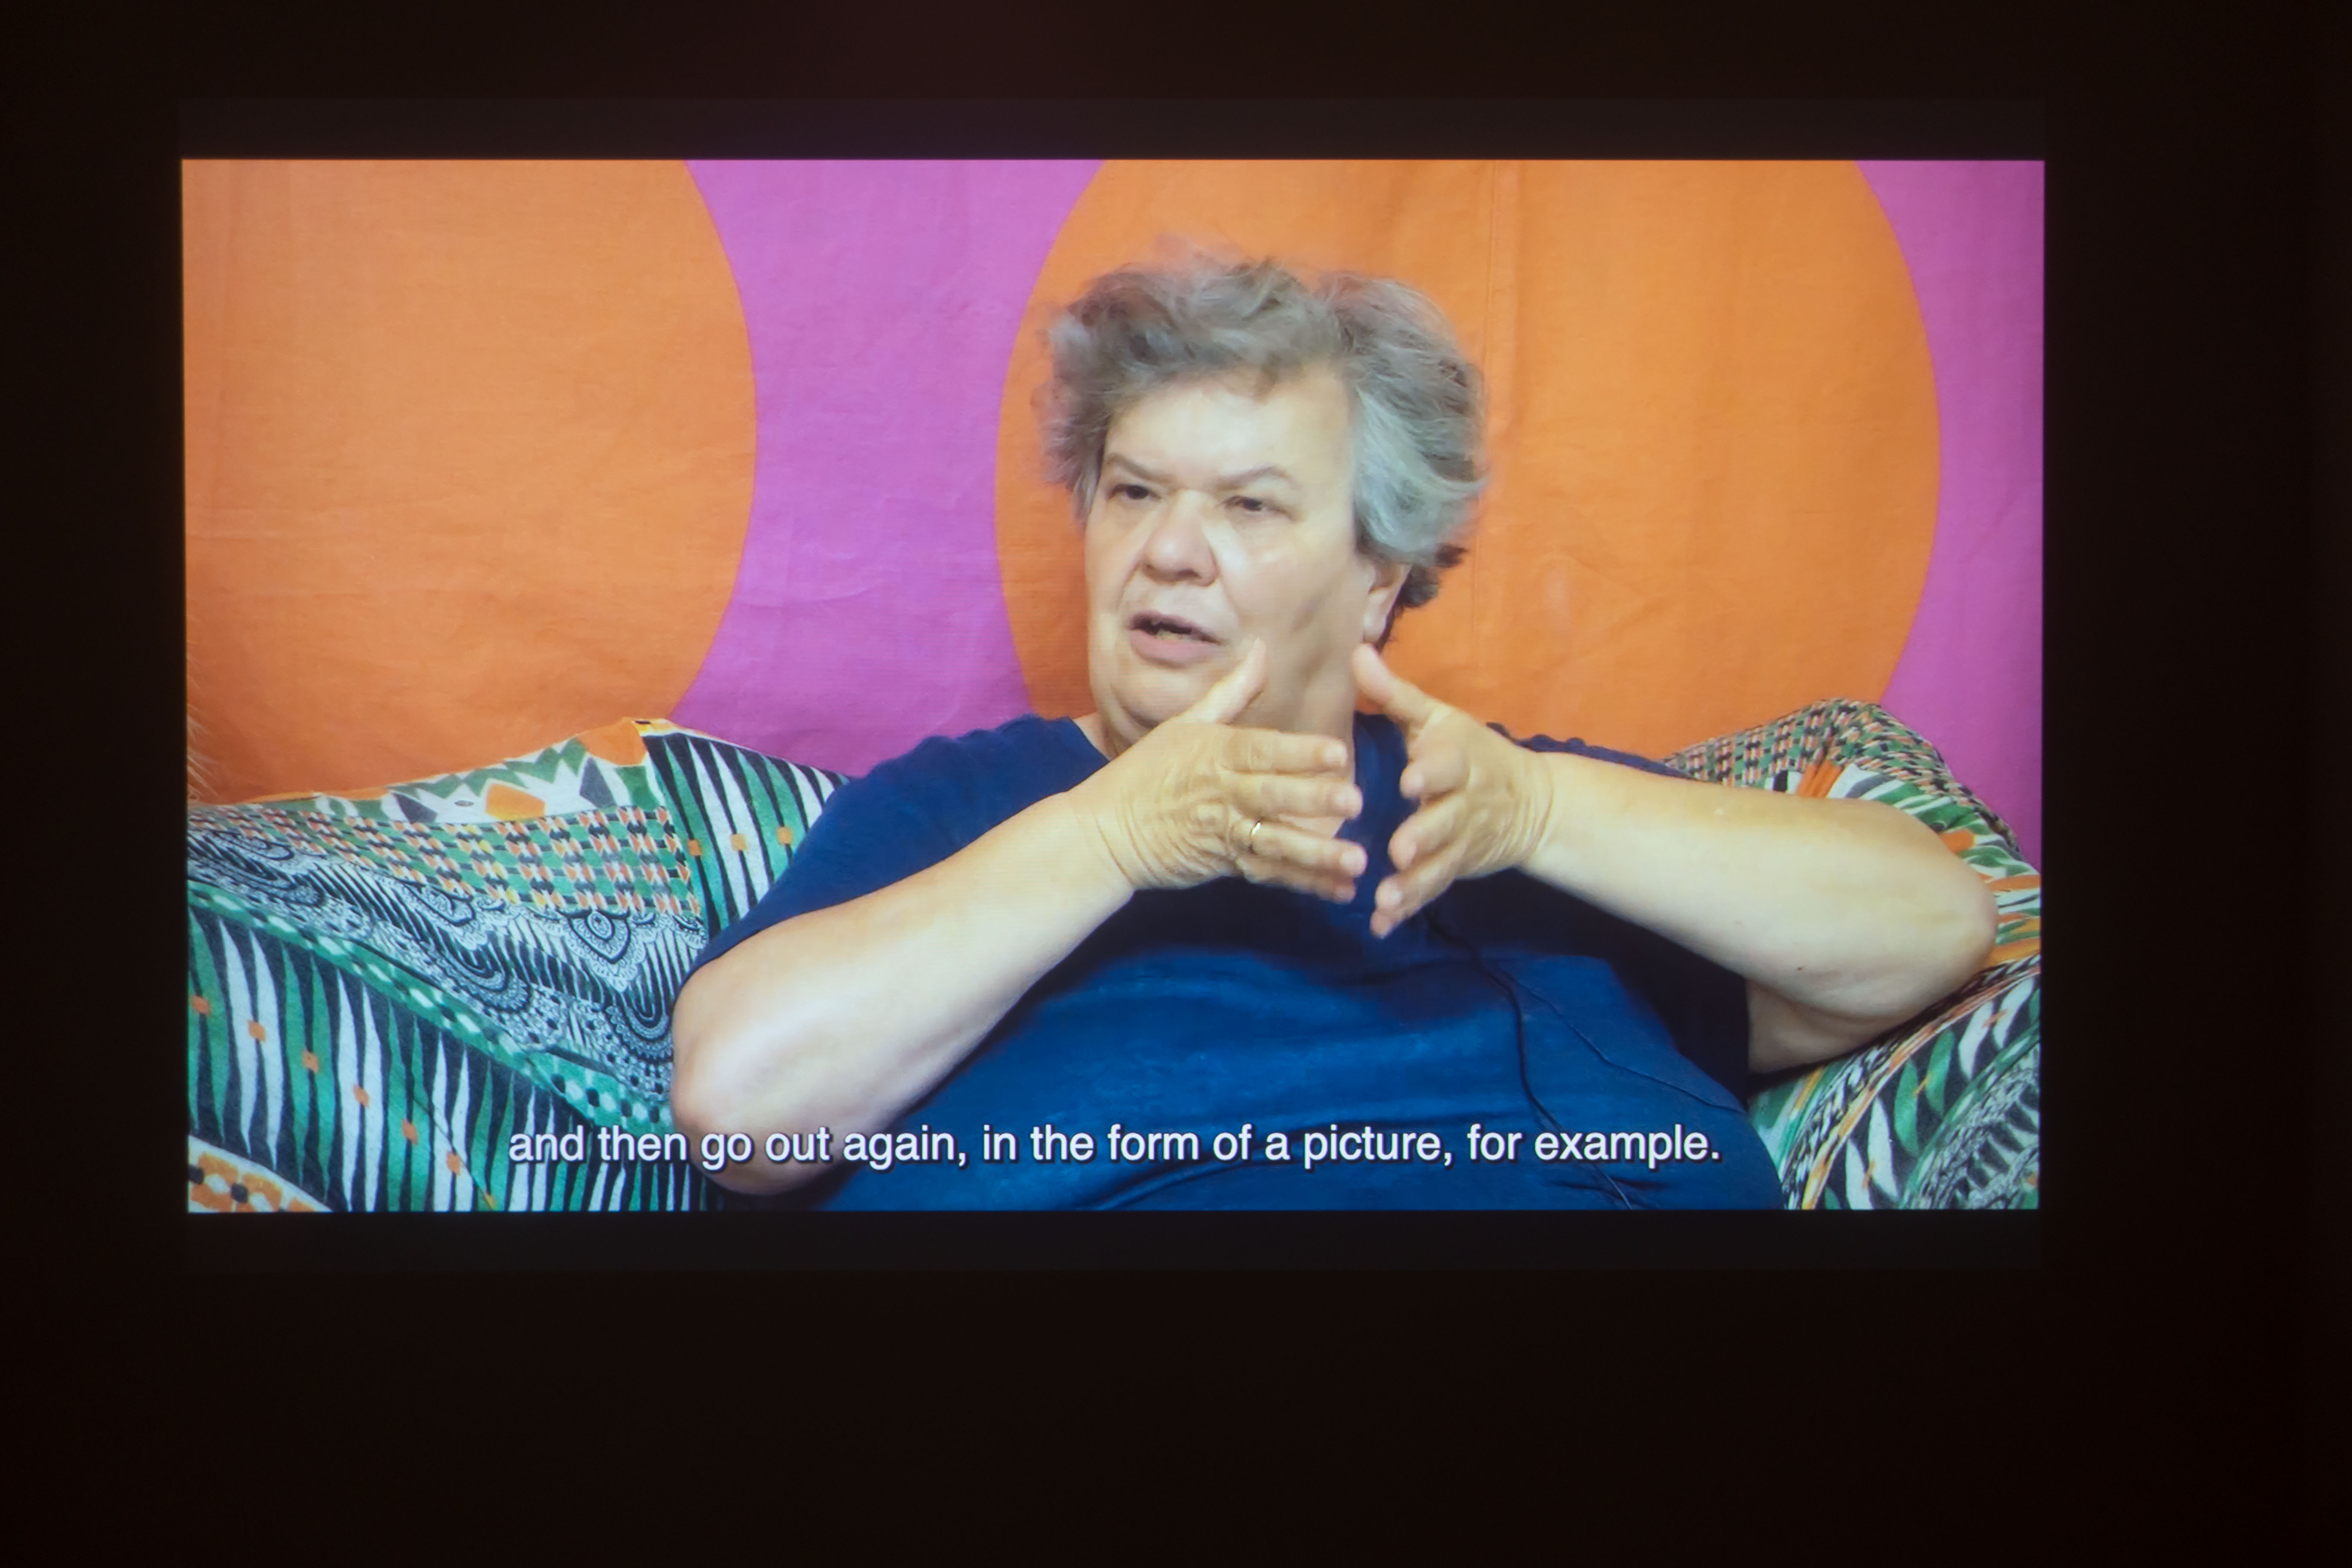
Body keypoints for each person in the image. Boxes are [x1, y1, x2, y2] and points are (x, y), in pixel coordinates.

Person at [669, 253, 1997, 1208]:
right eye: (1133, 492)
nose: (1169, 551)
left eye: (1250, 506)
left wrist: (1543, 812)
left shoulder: (1495, 809)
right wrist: (1115, 837)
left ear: (1377, 579)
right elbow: (738, 1107)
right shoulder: (971, 807)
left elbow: (1931, 929)